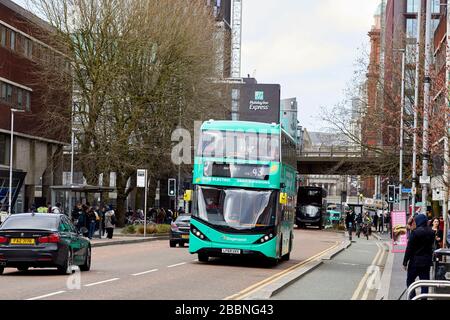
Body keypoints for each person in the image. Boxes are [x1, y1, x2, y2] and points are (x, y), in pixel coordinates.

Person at [403, 214, 435, 300]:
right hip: (426, 262)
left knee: (410, 281)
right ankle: (423, 299)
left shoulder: (415, 233)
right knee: (424, 283)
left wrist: (405, 262)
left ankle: (413, 297)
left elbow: (409, 248)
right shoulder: (432, 232)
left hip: (415, 262)